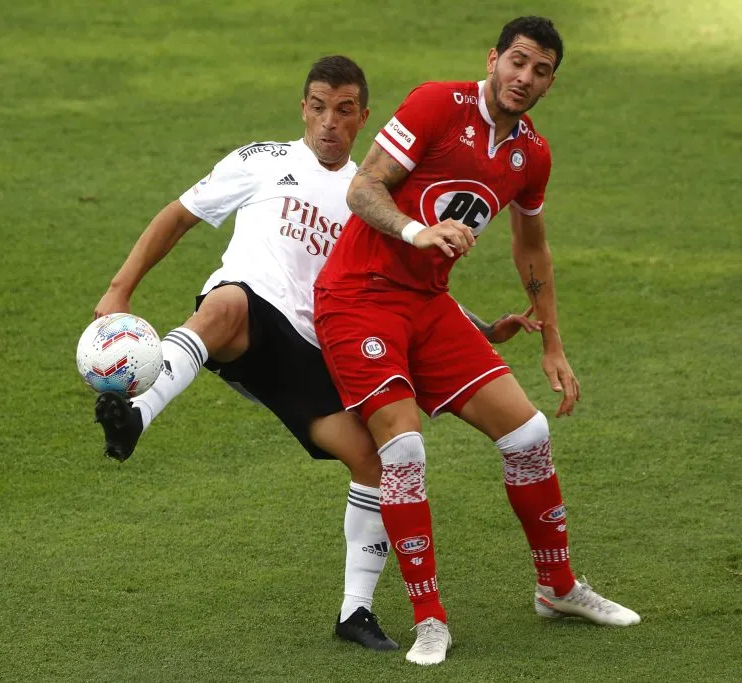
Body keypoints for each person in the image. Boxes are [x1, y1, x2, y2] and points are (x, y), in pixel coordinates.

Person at [89, 56, 538, 653]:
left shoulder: (372, 198)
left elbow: (403, 291)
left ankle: (355, 612)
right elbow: (178, 217)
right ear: (303, 107)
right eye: (319, 106)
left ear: (363, 119)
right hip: (248, 317)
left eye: (344, 110)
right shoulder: (261, 161)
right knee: (225, 305)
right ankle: (135, 416)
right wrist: (121, 287)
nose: (329, 122)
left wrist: (481, 328)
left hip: (312, 351)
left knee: (377, 463)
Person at [313, 17, 640, 666]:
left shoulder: (531, 155)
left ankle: (558, 586)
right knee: (403, 445)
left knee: (529, 435)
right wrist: (415, 232)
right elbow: (363, 186)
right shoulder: (438, 103)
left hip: (427, 306)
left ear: (551, 82)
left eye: (541, 70)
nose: (524, 78)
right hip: (359, 296)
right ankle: (430, 619)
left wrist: (552, 342)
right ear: (493, 59)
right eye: (517, 62)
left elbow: (531, 242)